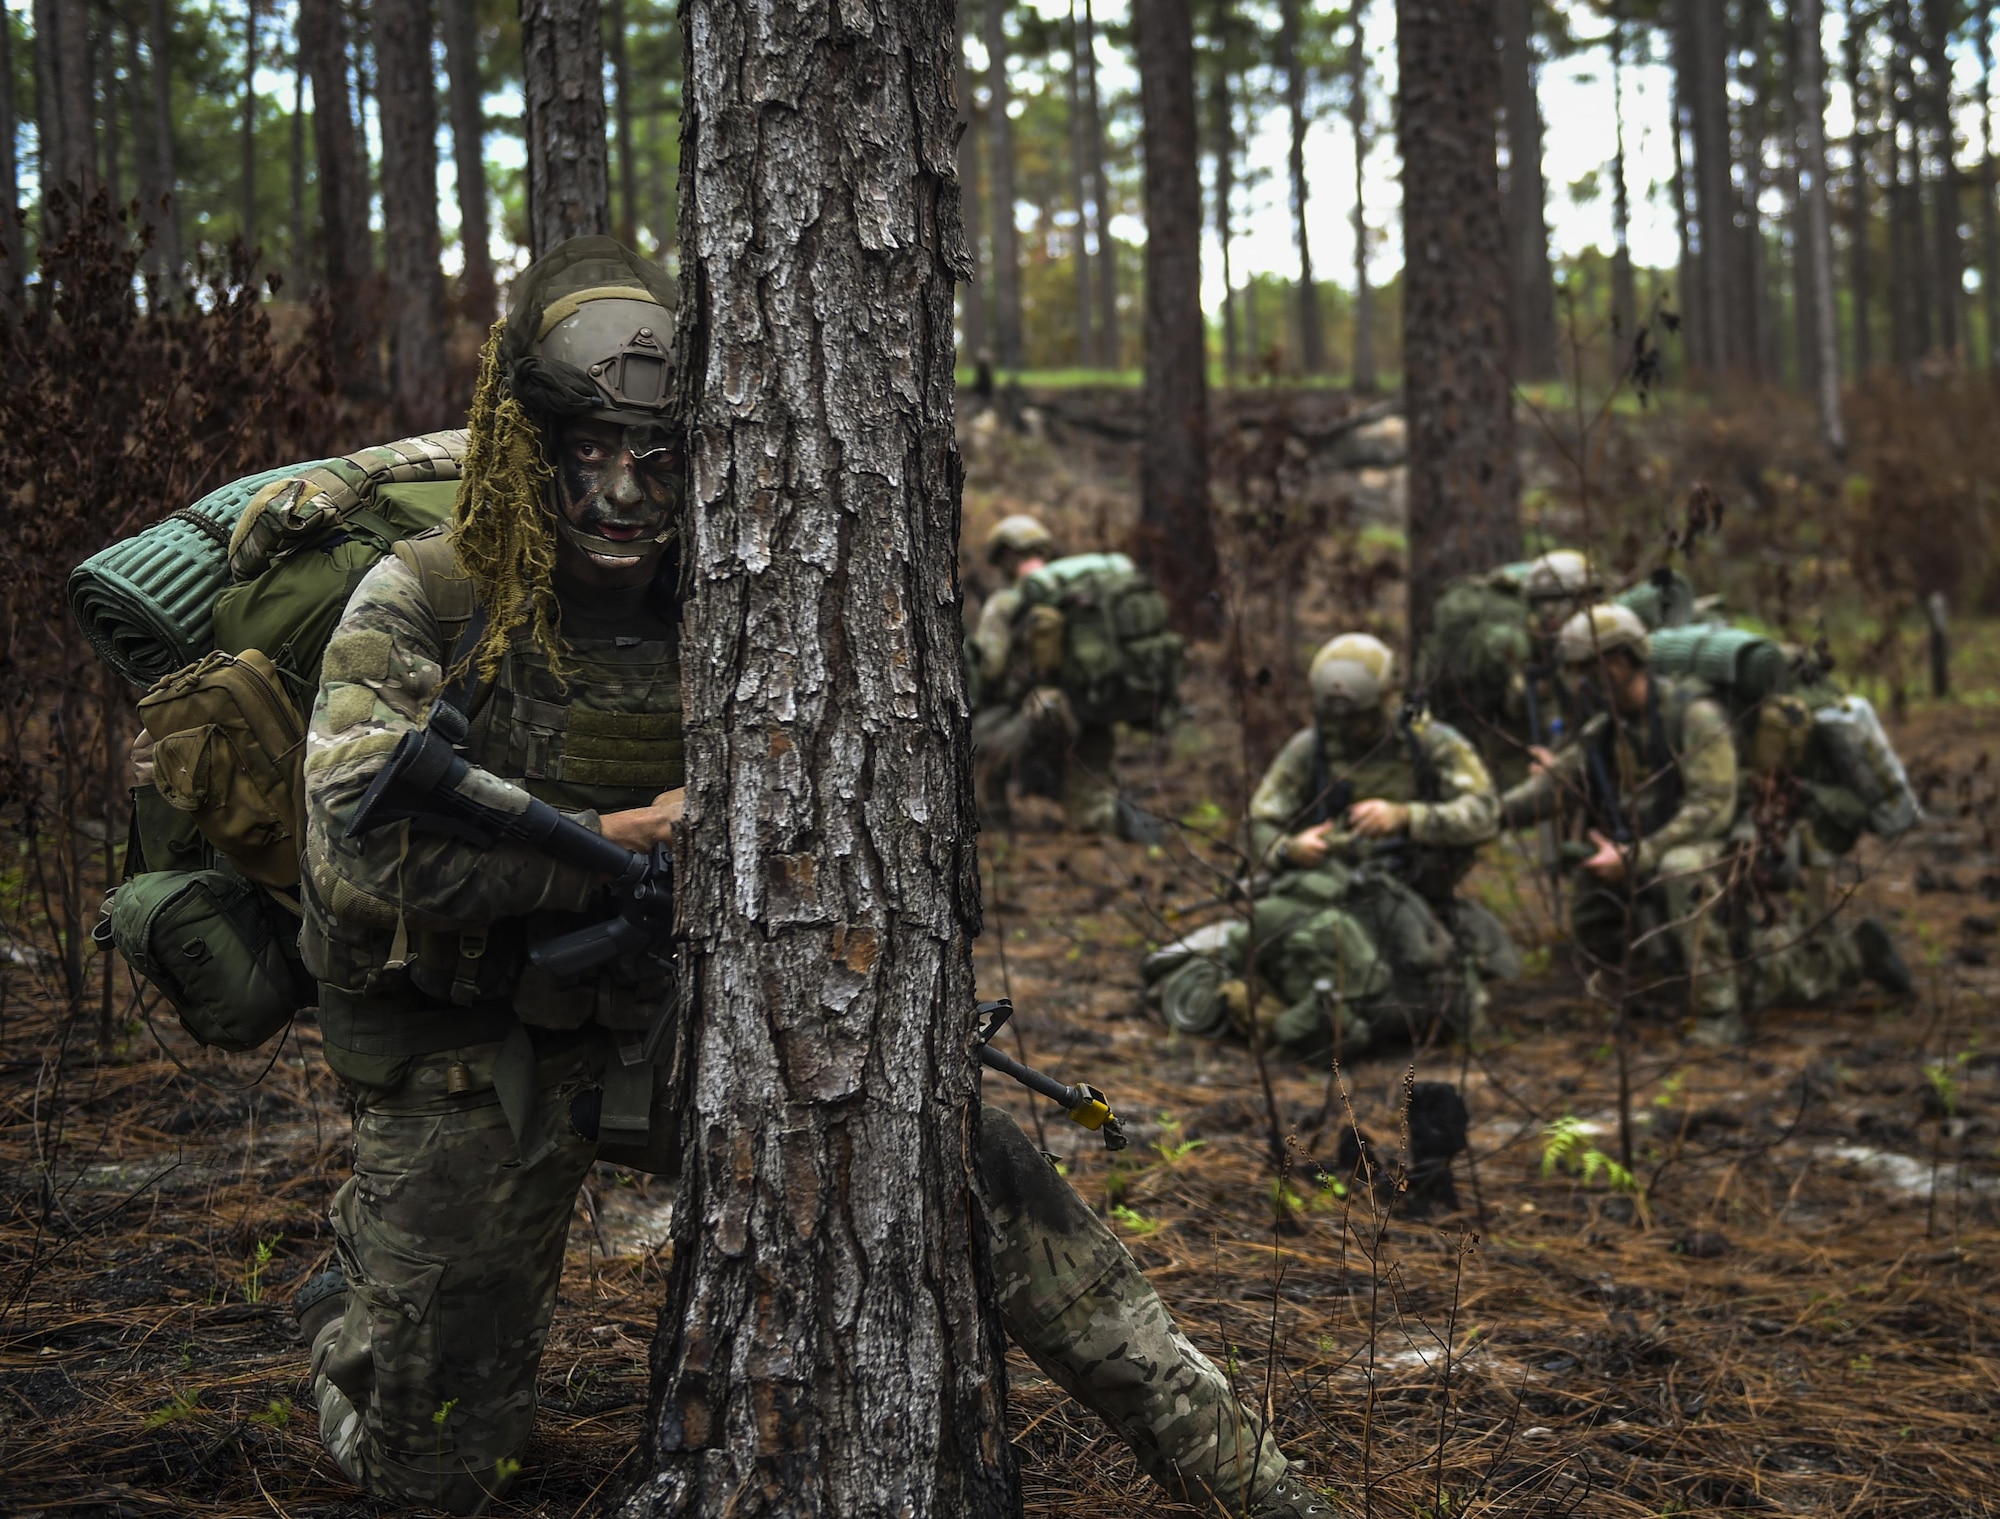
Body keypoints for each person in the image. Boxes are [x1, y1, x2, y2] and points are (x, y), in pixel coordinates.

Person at [291, 238, 1323, 1518]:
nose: (620, 493)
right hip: (463, 1054)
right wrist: (613, 838)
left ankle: (1249, 1481)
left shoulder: (740, 592)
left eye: (656, 459)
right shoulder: (429, 597)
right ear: (530, 450)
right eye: (587, 455)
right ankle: (354, 1311)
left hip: (662, 1020)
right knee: (442, 1470)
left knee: (964, 1161)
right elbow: (353, 855)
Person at [1146, 633, 1514, 1062]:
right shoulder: (1311, 749)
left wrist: (1407, 817)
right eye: (1339, 717)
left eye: (1361, 716)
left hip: (1418, 894)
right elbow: (1258, 823)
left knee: (1443, 988)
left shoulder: (1431, 743)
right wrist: (1289, 848)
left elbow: (1485, 812)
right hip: (1330, 893)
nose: (1350, 728)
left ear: (1387, 698)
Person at [1498, 603, 1745, 1042]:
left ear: (1620, 662)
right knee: (1591, 884)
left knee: (1679, 868)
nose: (1579, 685)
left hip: (1715, 842)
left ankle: (1718, 1013)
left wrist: (1640, 855)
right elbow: (1552, 789)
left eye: (1588, 672)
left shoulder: (1694, 716)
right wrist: (1482, 816)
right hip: (1646, 842)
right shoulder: (1604, 730)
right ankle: (1633, 992)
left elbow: (1712, 807)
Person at [968, 514, 1164, 839]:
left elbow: (990, 668)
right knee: (1091, 811)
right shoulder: (1080, 593)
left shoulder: (1005, 604)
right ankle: (1132, 829)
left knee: (973, 740)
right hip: (1091, 708)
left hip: (1041, 717)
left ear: (1004, 556)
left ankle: (997, 823)